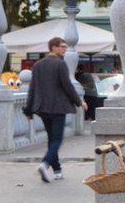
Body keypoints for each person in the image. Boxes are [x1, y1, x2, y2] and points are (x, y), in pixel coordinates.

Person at [24, 37, 86, 183]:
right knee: (57, 139)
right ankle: (45, 164)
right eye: (62, 47)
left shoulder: (38, 65)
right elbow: (67, 86)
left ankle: (57, 171)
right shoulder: (60, 64)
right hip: (58, 107)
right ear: (53, 47)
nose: (64, 49)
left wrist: (28, 110)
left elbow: (32, 89)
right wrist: (79, 102)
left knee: (52, 139)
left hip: (43, 108)